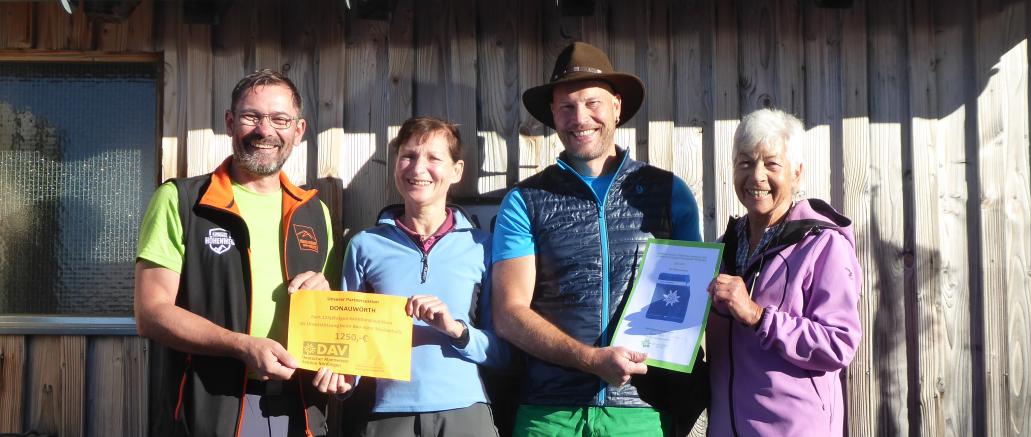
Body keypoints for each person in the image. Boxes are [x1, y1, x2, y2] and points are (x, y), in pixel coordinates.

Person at [491, 41, 701, 437]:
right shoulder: (524, 201)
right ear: (553, 115)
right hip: (548, 414)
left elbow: (688, 304)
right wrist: (591, 359)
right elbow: (509, 314)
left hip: (641, 411)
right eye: (566, 107)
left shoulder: (669, 192)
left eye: (592, 103)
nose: (579, 117)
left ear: (617, 107)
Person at [135, 69, 351, 437]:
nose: (265, 130)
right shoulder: (183, 201)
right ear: (231, 122)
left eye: (280, 119)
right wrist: (242, 346)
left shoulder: (315, 213)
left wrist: (338, 361)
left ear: (298, 131)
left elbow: (327, 315)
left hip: (299, 410)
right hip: (210, 410)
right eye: (252, 116)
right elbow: (151, 313)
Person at [340, 116, 509, 437]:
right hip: (386, 415)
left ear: (456, 170)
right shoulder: (364, 246)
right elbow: (349, 344)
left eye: (434, 158)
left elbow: (503, 353)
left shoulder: (482, 247)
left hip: (466, 412)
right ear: (395, 166)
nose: (418, 169)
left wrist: (456, 330)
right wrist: (345, 379)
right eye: (408, 156)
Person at [706, 108, 863, 436]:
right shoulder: (722, 249)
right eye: (745, 162)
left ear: (796, 173)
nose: (757, 177)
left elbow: (840, 343)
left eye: (771, 164)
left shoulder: (824, 246)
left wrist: (758, 316)